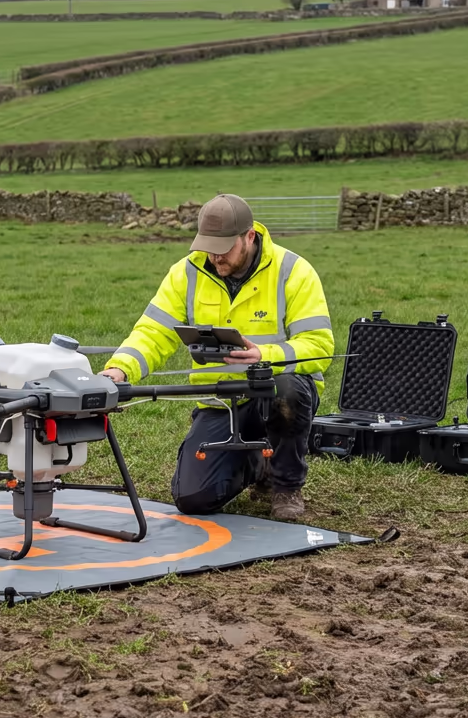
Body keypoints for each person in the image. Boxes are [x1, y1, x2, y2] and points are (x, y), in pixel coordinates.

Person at [101, 194, 333, 522]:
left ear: (249, 236)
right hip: (220, 401)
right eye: (208, 247)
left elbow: (319, 346)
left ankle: (286, 485)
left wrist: (263, 356)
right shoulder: (186, 273)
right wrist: (119, 369)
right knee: (193, 498)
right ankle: (258, 462)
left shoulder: (293, 271)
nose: (215, 256)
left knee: (288, 390)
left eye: (223, 248)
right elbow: (153, 331)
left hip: (274, 393)